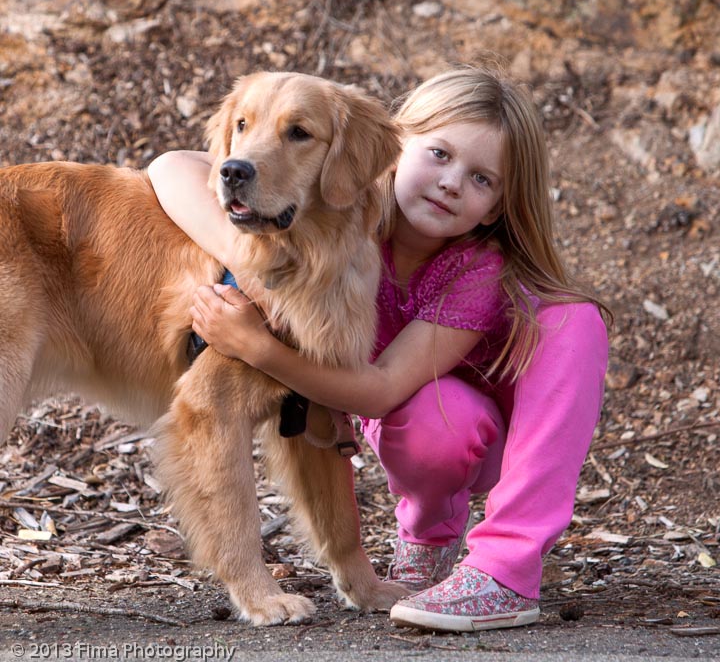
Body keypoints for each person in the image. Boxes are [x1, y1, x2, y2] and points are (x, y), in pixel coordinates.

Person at [148, 66, 610, 633]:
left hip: (496, 434)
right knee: (434, 418)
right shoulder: (347, 215)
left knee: (572, 319)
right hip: (416, 423)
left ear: (494, 208)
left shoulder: (477, 269)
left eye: (482, 179)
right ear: (399, 145)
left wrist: (259, 348)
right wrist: (243, 257)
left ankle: (504, 570)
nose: (451, 182)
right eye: (439, 154)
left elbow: (383, 387)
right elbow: (169, 166)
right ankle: (428, 539)